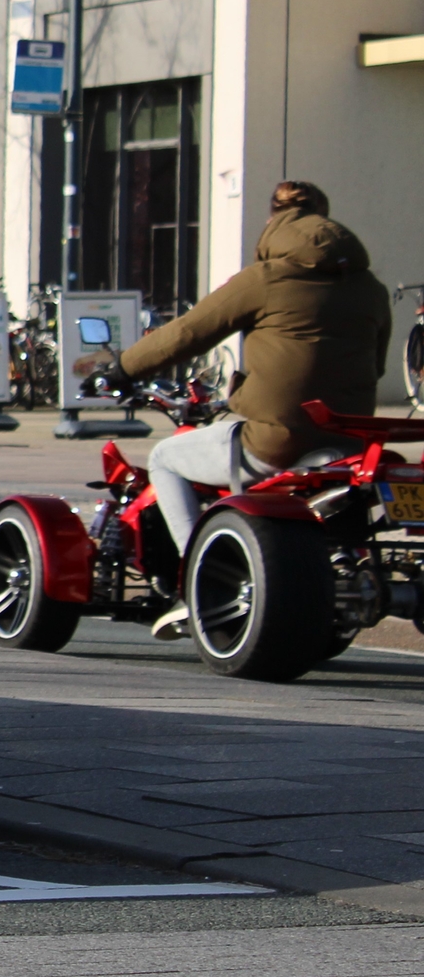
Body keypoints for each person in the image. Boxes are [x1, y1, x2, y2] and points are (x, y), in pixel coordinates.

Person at [94, 182, 391, 637]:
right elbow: (380, 361)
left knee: (165, 459)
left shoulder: (268, 278)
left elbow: (189, 333)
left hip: (275, 436)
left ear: (275, 221)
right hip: (346, 442)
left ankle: (195, 580)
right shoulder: (370, 287)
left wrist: (122, 369)